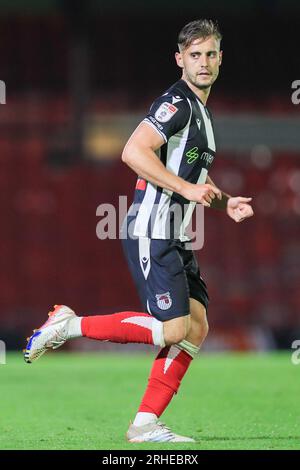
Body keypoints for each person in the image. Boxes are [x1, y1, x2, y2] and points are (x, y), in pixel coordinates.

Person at [24, 19, 254, 443]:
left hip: (176, 232)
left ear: (221, 58)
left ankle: (145, 423)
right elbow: (134, 149)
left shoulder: (202, 112)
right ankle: (67, 326)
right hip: (153, 226)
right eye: (195, 55)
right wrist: (186, 188)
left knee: (196, 325)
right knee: (171, 329)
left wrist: (226, 202)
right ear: (179, 59)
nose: (203, 62)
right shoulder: (178, 102)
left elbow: (193, 179)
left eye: (210, 54)